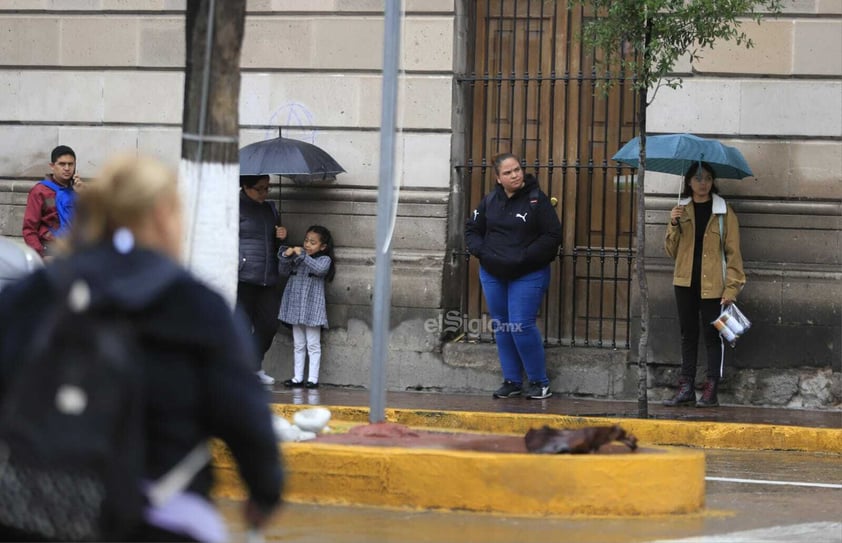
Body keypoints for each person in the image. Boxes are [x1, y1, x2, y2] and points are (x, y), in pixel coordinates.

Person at [0, 155, 283, 541]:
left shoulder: (33, 293)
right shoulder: (195, 305)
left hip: (41, 513)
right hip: (158, 519)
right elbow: (244, 415)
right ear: (163, 215)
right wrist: (264, 491)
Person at [464, 153, 562, 400]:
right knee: (503, 325)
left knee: (521, 325)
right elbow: (472, 230)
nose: (515, 175)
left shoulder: (536, 200)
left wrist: (523, 257)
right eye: (508, 172)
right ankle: (512, 380)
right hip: (493, 272)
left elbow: (552, 237)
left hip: (527, 273)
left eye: (517, 169)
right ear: (498, 178)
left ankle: (539, 382)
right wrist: (483, 253)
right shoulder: (489, 201)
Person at [663, 161, 746, 408]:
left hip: (715, 286)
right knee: (688, 335)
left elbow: (734, 253)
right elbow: (670, 251)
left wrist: (732, 288)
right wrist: (673, 223)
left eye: (708, 178)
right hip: (684, 282)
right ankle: (686, 386)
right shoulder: (681, 209)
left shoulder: (724, 211)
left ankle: (711, 389)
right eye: (698, 178)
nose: (703, 183)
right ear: (689, 182)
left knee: (713, 336)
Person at [236, 174, 287, 386]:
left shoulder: (270, 210)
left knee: (269, 324)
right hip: (243, 276)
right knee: (240, 326)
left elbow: (276, 245)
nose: (264, 193)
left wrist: (282, 237)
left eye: (267, 188)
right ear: (245, 187)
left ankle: (252, 366)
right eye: (259, 188)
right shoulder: (233, 207)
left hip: (267, 276)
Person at [278, 225, 336, 389]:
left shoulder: (324, 260)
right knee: (298, 343)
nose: (307, 244)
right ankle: (297, 377)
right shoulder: (298, 259)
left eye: (313, 242)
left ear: (322, 246)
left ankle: (313, 378)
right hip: (296, 305)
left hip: (312, 307)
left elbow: (319, 269)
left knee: (313, 344)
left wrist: (302, 255)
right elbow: (283, 271)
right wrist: (286, 255)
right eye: (306, 240)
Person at [21, 145, 82, 258]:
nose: (67, 168)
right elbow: (29, 229)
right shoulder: (40, 191)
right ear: (52, 166)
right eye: (62, 164)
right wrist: (42, 256)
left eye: (70, 164)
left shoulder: (78, 189)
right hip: (51, 251)